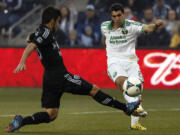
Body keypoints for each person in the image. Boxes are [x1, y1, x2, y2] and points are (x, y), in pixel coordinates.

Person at [6, 7, 140, 133]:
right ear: (52, 21)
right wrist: (22, 61)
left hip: (49, 78)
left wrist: (31, 37)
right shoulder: (46, 32)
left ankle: (21, 121)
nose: (58, 24)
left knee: (51, 114)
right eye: (58, 21)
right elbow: (31, 46)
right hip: (61, 76)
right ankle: (125, 108)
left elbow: (29, 38)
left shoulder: (40, 32)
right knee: (93, 90)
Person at [101, 3, 164, 131]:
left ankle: (134, 123)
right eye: (114, 16)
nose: (117, 18)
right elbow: (105, 38)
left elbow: (147, 28)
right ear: (111, 16)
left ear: (124, 14)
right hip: (114, 61)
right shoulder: (104, 26)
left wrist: (156, 26)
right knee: (122, 82)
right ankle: (135, 106)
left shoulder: (132, 25)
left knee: (136, 88)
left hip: (131, 61)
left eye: (119, 15)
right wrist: (107, 49)